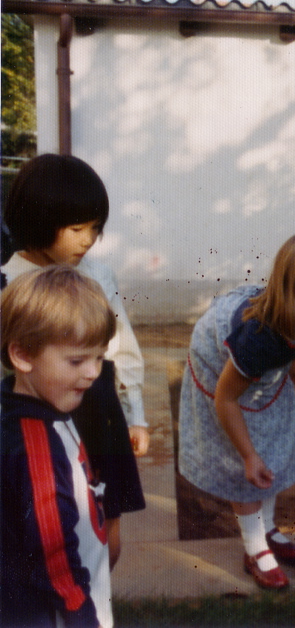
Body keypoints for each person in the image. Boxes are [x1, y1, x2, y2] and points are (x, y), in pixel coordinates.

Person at [178, 231, 295, 590]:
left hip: (258, 362)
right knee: (248, 465)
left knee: (271, 442)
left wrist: (291, 365)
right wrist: (248, 455)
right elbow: (225, 400)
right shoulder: (259, 338)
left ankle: (267, 529)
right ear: (289, 293)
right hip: (218, 361)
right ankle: (254, 548)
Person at [1, 153, 147, 569]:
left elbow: (122, 346)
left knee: (108, 543)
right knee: (55, 545)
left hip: (100, 419)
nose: (87, 240)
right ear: (37, 219)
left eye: (95, 229)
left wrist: (135, 413)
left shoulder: (97, 274)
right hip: (39, 430)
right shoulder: (8, 286)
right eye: (76, 229)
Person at [1, 265, 116, 628]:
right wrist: (82, 614)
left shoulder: (47, 409)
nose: (93, 372)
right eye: (77, 360)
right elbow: (53, 550)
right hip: (58, 613)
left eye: (99, 357)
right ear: (23, 356)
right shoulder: (35, 443)